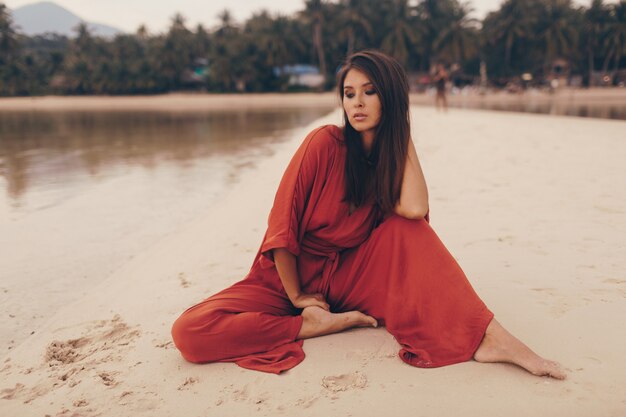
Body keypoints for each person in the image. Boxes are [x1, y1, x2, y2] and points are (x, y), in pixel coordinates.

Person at [171, 50, 566, 379]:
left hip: (347, 279)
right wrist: (298, 299)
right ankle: (311, 326)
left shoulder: (386, 164)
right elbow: (281, 227)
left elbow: (414, 209)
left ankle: (492, 336)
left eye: (370, 92)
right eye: (348, 93)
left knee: (406, 230)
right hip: (283, 279)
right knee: (189, 332)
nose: (356, 103)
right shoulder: (323, 144)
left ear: (390, 98)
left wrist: (402, 129)